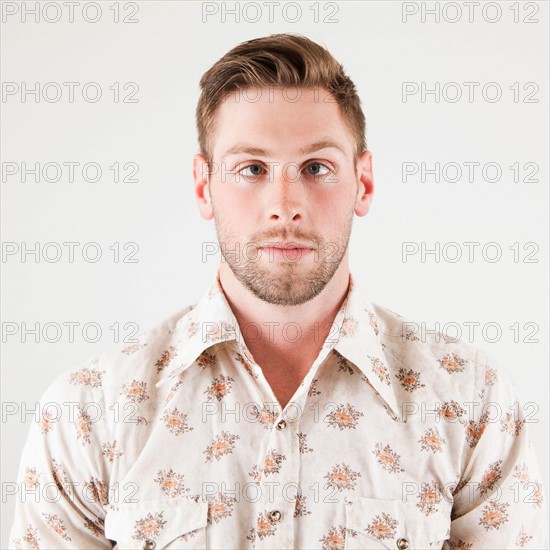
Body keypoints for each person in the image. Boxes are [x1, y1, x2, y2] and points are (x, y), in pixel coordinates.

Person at [9, 33, 548, 549]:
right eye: (252, 168)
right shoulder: (88, 412)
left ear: (365, 183)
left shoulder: (471, 401)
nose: (284, 204)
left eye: (317, 167)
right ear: (204, 186)